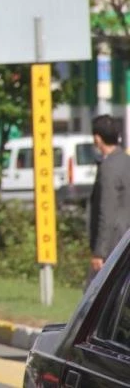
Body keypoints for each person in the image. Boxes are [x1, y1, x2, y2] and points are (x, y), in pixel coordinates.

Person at [88, 114, 130, 286]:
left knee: (96, 300)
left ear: (98, 139)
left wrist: (100, 252)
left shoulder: (108, 168)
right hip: (125, 241)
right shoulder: (127, 161)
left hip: (113, 245)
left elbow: (107, 211)